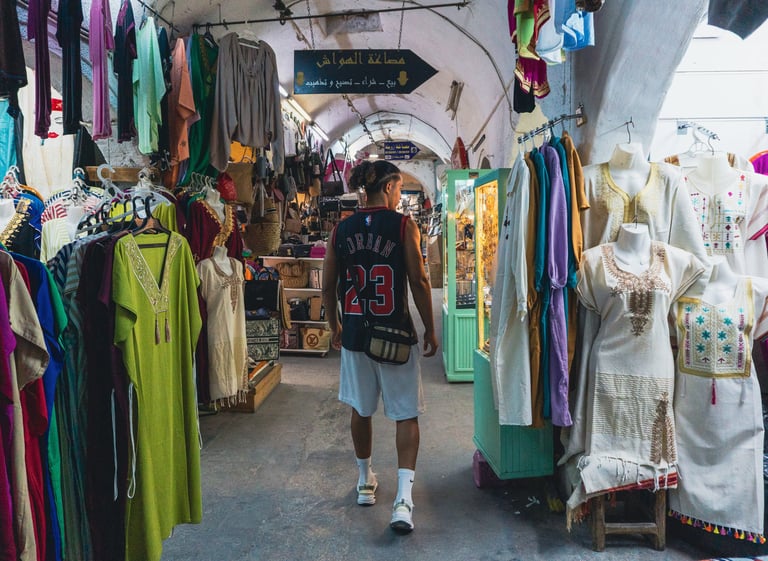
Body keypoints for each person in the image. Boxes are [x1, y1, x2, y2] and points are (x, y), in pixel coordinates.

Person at [322, 160, 438, 534]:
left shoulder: (341, 230)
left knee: (361, 408)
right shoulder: (404, 226)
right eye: (399, 188)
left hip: (356, 335)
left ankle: (364, 481)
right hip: (395, 336)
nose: (400, 194)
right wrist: (429, 329)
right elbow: (419, 281)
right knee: (406, 414)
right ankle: (403, 500)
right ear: (388, 188)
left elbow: (328, 285)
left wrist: (335, 325)